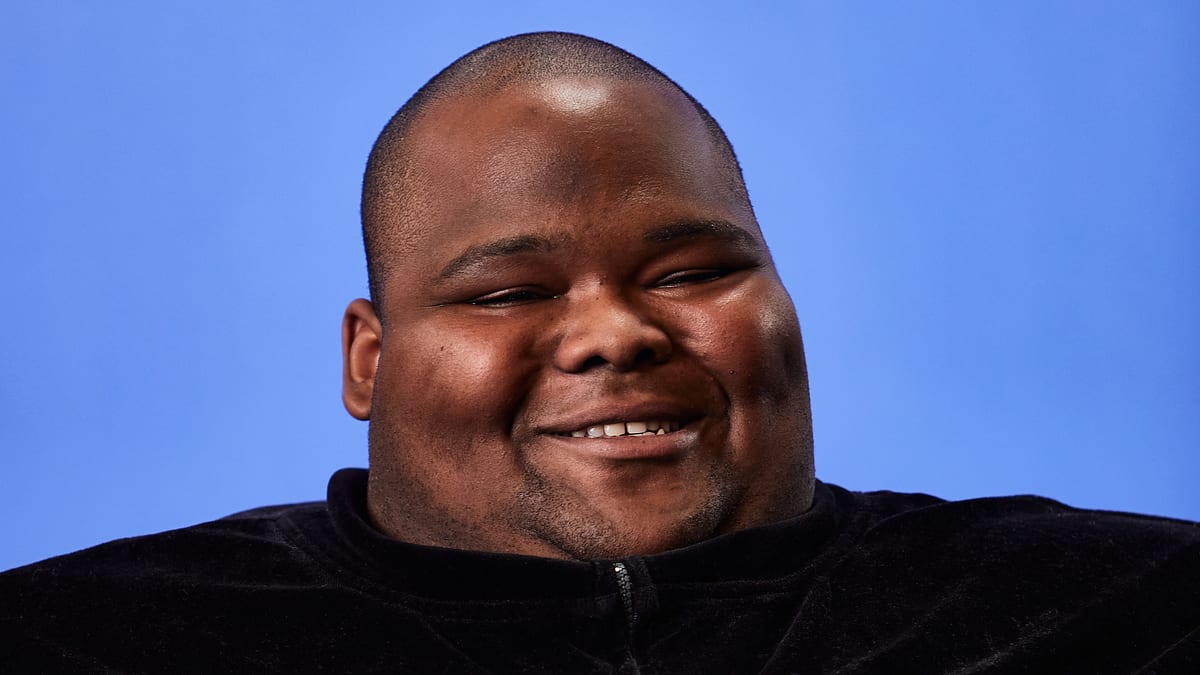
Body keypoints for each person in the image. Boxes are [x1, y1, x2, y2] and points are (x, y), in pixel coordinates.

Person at [2, 32, 1197, 674]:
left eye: (690, 273)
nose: (616, 333)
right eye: (510, 290)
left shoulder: (1126, 613)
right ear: (369, 360)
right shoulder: (83, 640)